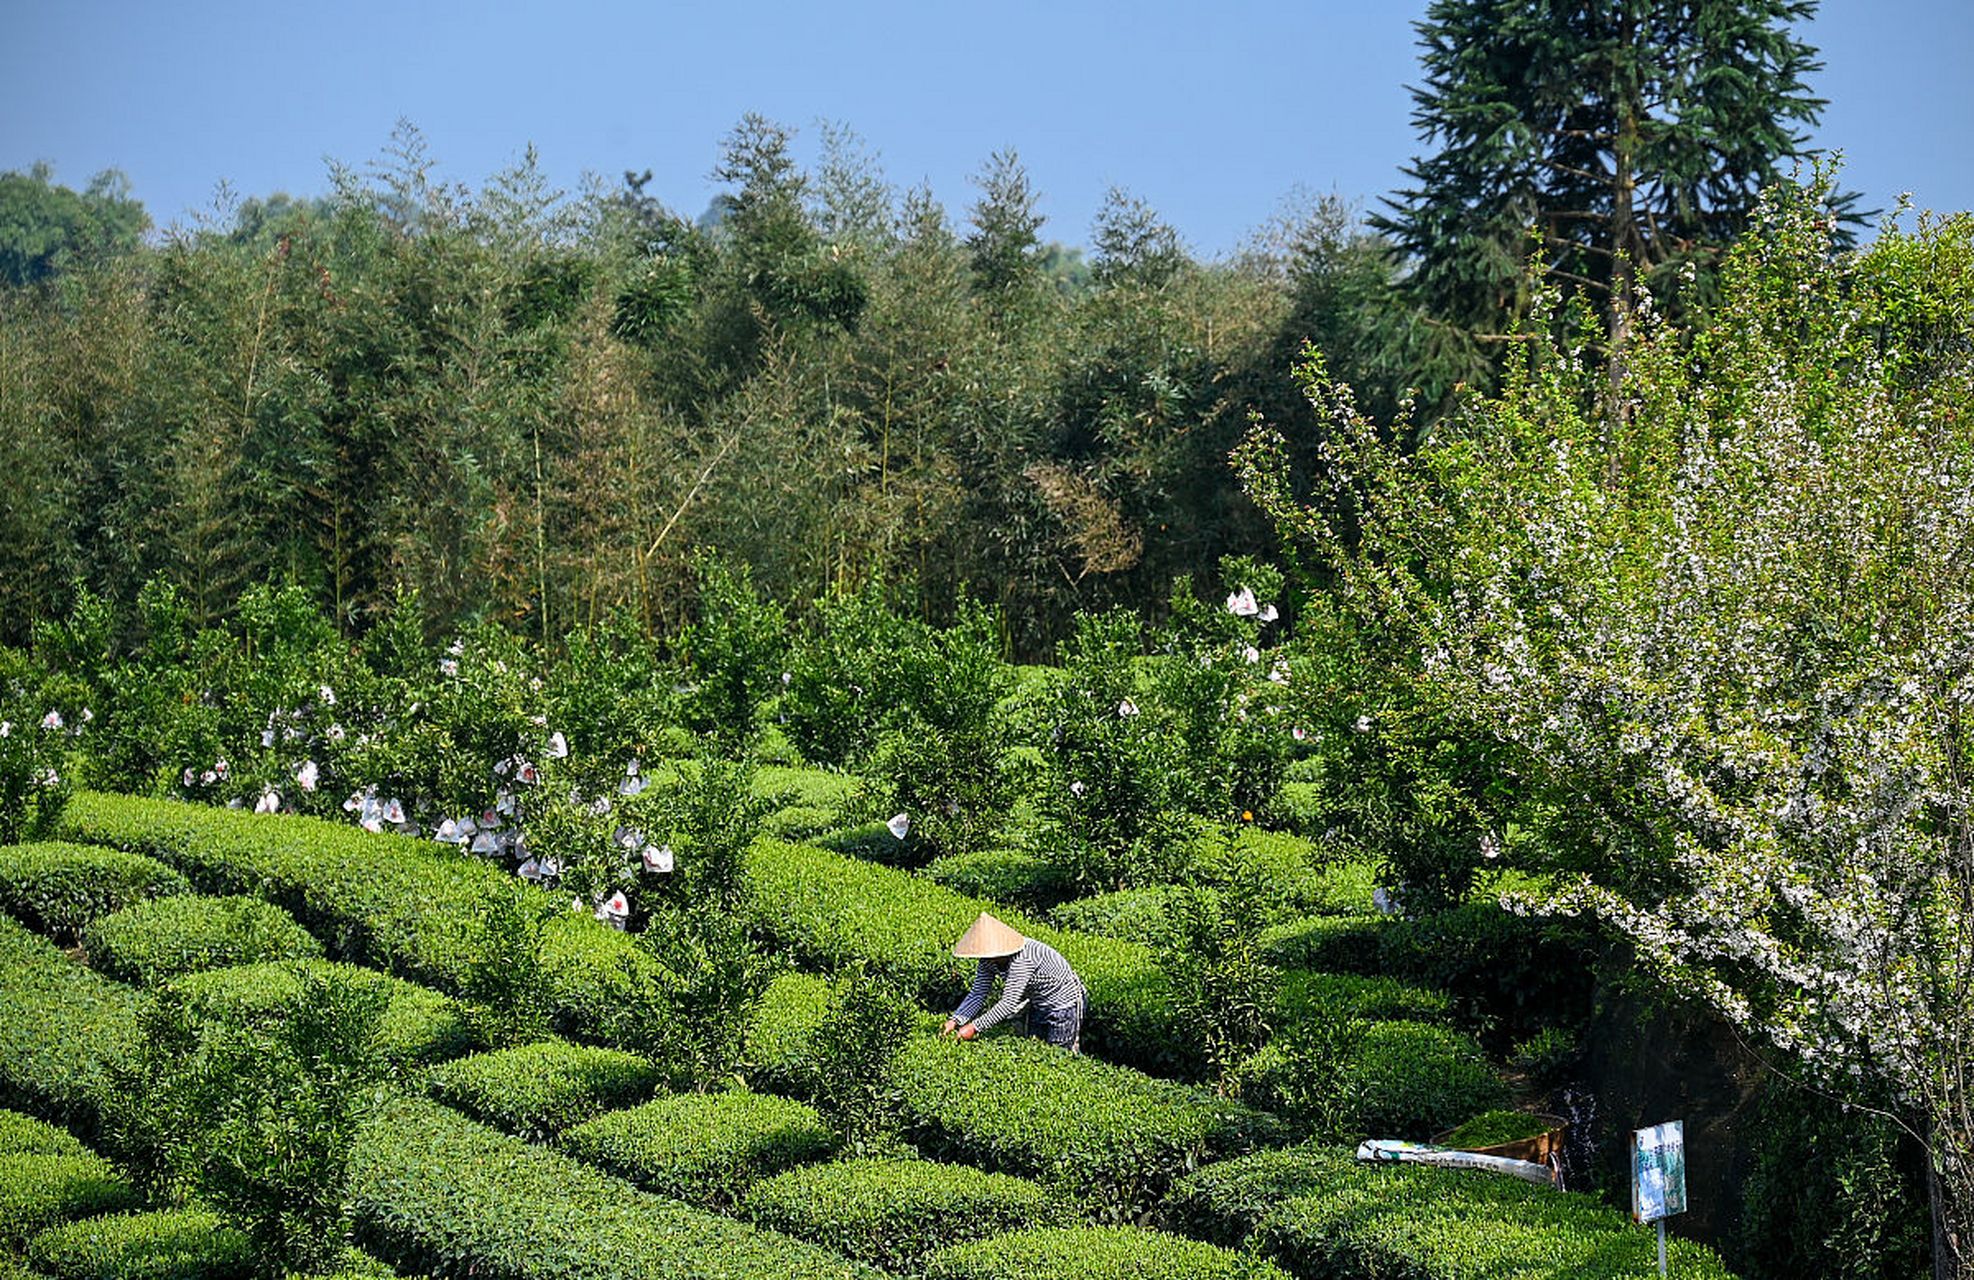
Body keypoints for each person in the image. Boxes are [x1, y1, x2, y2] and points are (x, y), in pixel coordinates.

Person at [942, 912, 1086, 1052]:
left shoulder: (1022, 959)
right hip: (1038, 1002)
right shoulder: (987, 961)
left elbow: (1008, 1003)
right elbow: (978, 993)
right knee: (1037, 1050)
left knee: (1059, 1053)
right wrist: (955, 1020)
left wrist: (974, 1027)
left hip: (1064, 1003)